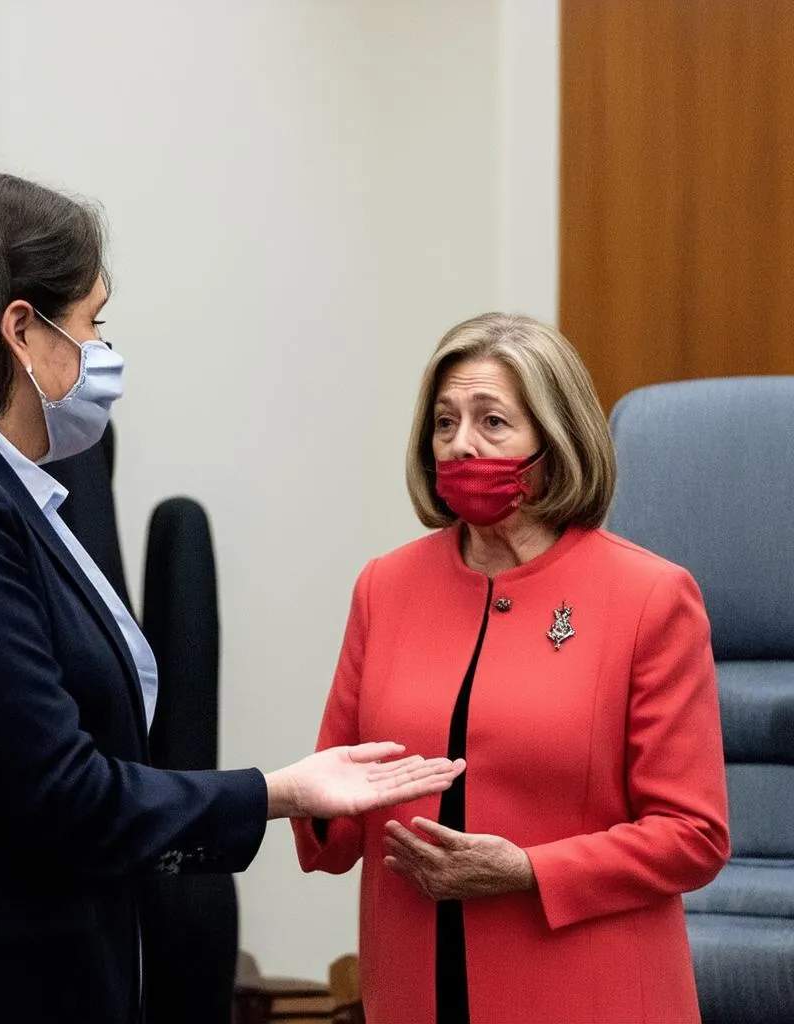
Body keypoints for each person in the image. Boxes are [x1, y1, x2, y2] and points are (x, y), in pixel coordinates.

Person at [0, 167, 460, 1024]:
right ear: (20, 329)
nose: (102, 352)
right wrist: (283, 791)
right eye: (92, 323)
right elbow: (64, 797)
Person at [292, 313, 730, 1023]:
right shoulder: (385, 586)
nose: (460, 443)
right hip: (414, 989)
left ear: (554, 444)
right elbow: (335, 831)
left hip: (590, 992)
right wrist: (294, 799)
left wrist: (528, 870)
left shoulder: (649, 596)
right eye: (444, 422)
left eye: (492, 422)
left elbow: (694, 836)